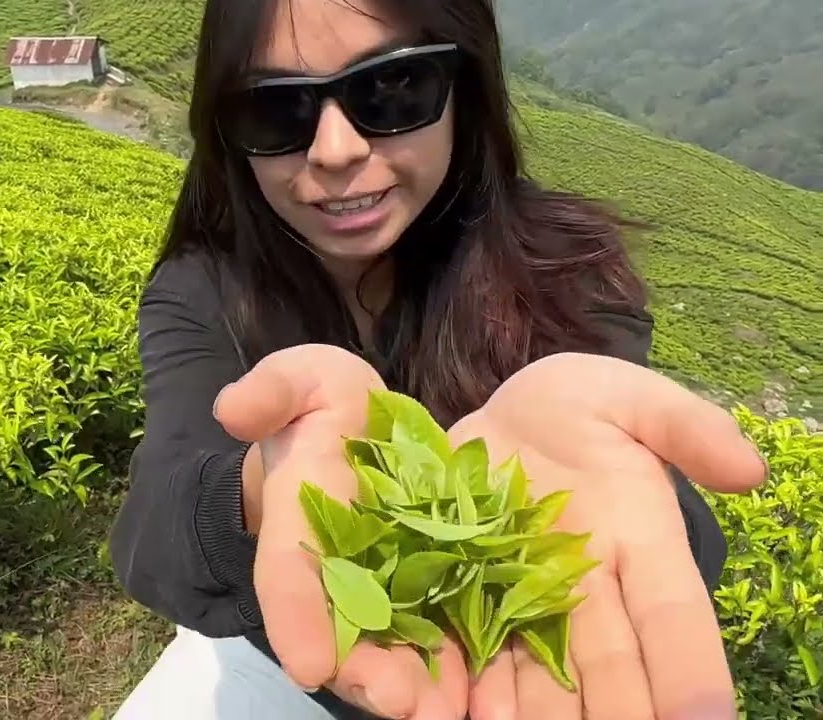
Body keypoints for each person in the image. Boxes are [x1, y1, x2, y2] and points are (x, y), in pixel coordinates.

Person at [107, 0, 767, 718]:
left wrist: (649, 487)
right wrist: (271, 481)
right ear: (227, 135)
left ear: (464, 89)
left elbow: (650, 535)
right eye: (277, 112)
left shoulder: (567, 269)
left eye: (392, 90)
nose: (335, 150)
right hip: (281, 670)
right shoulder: (205, 287)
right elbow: (154, 533)